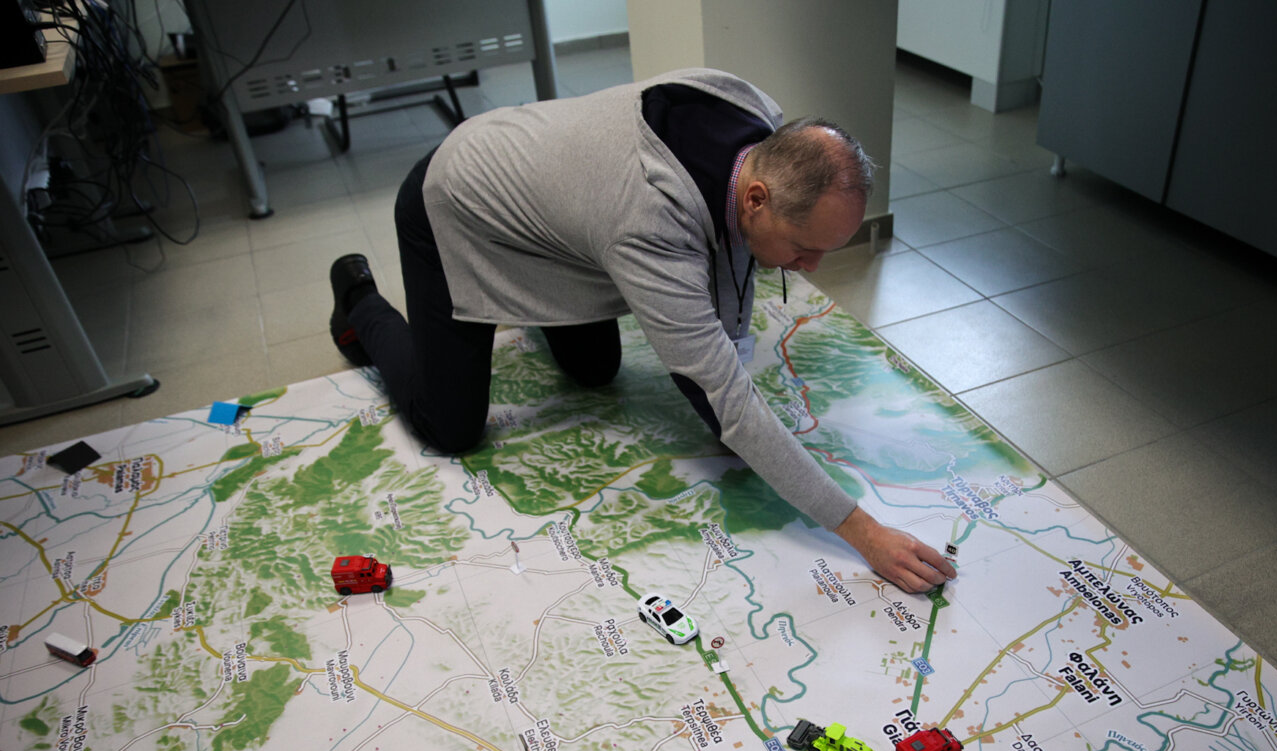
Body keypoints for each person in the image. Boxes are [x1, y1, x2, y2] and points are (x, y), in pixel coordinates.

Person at [329, 68, 955, 595]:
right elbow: (722, 396)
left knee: (595, 370)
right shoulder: (651, 223)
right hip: (457, 201)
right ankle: (357, 299)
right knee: (451, 427)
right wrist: (863, 531)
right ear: (758, 198)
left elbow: (728, 289)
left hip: (552, 203)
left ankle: (531, 281)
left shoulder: (760, 128)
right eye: (802, 247)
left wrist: (733, 403)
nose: (812, 267)